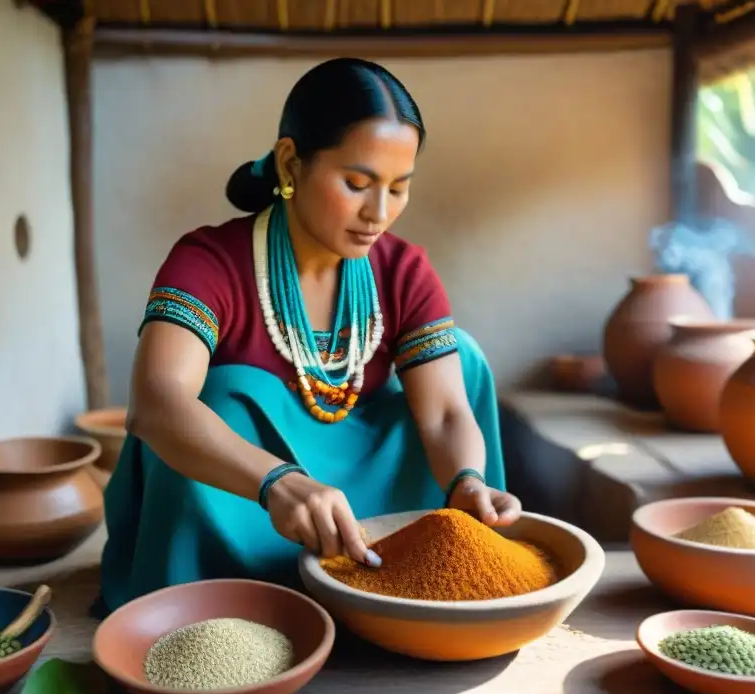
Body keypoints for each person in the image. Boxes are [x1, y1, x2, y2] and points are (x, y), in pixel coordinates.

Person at [98, 57, 521, 614]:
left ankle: (398, 568)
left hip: (375, 500)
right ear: (291, 163)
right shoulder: (210, 261)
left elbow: (444, 414)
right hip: (253, 501)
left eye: (399, 188)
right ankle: (225, 596)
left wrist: (467, 480)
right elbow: (155, 403)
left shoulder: (402, 270)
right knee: (219, 397)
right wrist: (278, 482)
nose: (379, 213)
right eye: (357, 183)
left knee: (461, 359)